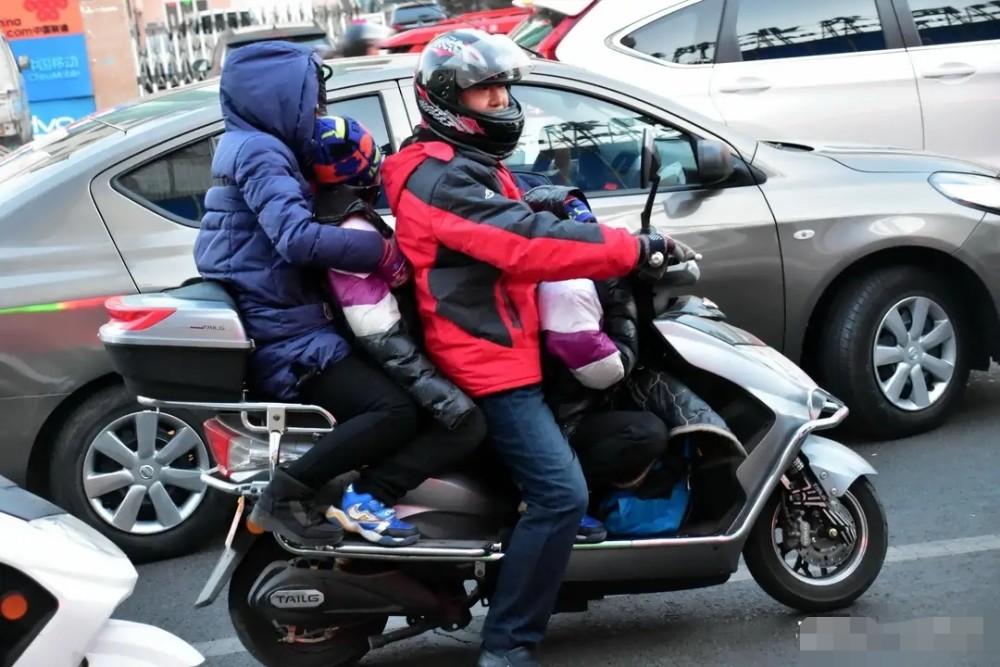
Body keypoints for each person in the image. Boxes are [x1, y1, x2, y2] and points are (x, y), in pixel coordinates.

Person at [380, 29, 694, 667]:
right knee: (561, 496)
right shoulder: (440, 179)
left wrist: (570, 210)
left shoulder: (464, 162)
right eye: (484, 91)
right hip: (488, 361)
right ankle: (508, 645)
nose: (499, 101)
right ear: (446, 100)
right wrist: (632, 249)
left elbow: (521, 211)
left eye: (502, 88)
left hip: (511, 342)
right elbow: (521, 242)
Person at [192, 41, 443, 548]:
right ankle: (290, 496)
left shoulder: (249, 144)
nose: (318, 113)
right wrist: (382, 252)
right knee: (395, 411)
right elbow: (297, 238)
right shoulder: (262, 151)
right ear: (280, 98)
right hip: (290, 338)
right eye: (312, 101)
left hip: (289, 320)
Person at [310, 113, 488, 542]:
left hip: (399, 342)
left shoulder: (347, 217)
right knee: (467, 423)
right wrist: (432, 385)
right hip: (382, 355)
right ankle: (368, 495)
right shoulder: (350, 230)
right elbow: (376, 328)